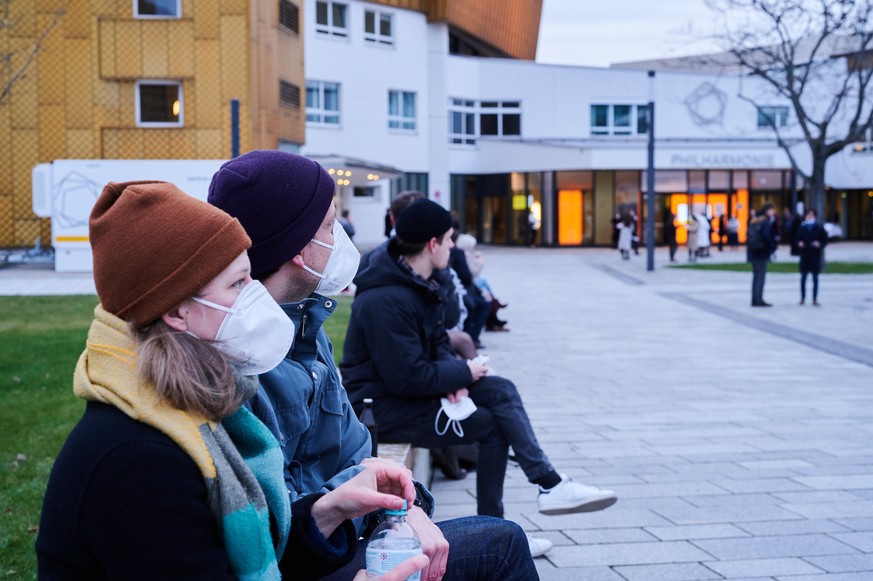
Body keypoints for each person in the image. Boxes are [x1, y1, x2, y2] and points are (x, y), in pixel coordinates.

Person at [35, 181, 430, 580]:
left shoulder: (181, 406)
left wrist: (327, 511)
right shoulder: (139, 460)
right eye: (239, 284)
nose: (255, 295)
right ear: (178, 311)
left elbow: (253, 551)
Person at [208, 151, 539, 579]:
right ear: (298, 250)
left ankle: (546, 480)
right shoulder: (244, 361)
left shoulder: (308, 328)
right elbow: (277, 519)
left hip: (347, 530)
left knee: (498, 414)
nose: (342, 235)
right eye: (330, 225)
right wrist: (382, 508)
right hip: (311, 553)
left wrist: (404, 508)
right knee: (501, 544)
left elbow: (356, 450)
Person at [340, 198, 618, 558]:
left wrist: (456, 380)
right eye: (450, 239)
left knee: (500, 389)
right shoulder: (384, 298)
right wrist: (464, 371)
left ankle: (533, 500)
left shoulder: (421, 280)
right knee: (490, 426)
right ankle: (520, 513)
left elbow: (438, 343)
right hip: (381, 409)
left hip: (408, 396)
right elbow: (406, 377)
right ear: (432, 244)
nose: (453, 246)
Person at [796, 208, 828, 306]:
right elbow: (796, 239)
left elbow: (824, 240)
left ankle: (814, 298)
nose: (809, 216)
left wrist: (819, 244)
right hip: (805, 255)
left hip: (814, 255)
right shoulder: (802, 227)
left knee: (815, 278)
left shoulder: (819, 227)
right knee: (803, 278)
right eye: (808, 215)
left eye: (811, 215)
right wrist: (799, 243)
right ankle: (802, 298)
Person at [748, 202, 778, 307]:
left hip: (753, 251)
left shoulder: (754, 220)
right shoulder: (765, 221)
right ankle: (759, 299)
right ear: (767, 211)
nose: (773, 212)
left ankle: (755, 299)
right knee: (760, 276)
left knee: (756, 276)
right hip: (761, 252)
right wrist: (772, 247)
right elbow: (767, 236)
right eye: (771, 210)